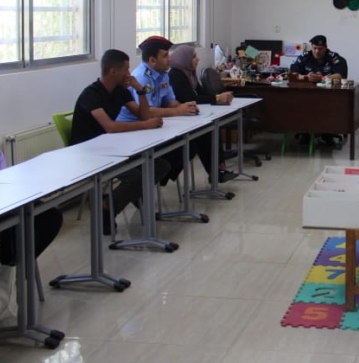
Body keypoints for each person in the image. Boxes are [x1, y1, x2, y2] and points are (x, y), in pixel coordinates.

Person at [70, 49, 167, 235]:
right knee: (135, 177)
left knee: (160, 165)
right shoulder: (91, 94)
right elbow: (110, 127)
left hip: (111, 148)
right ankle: (107, 208)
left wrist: (140, 91)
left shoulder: (120, 91)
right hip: (88, 153)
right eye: (126, 69)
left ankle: (119, 201)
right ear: (113, 72)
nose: (129, 74)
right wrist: (146, 125)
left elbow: (143, 115)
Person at [0, 127, 64, 312]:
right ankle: (8, 261)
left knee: (48, 216)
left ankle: (13, 263)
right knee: (20, 227)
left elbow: (1, 174)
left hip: (1, 202)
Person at [116, 36, 199, 185]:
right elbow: (147, 113)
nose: (169, 59)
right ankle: (151, 182)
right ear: (152, 60)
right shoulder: (142, 77)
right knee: (180, 148)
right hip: (132, 131)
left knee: (191, 143)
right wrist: (178, 111)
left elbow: (170, 102)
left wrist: (186, 107)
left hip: (151, 128)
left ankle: (158, 179)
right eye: (165, 55)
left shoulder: (163, 74)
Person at [168, 45, 238, 183]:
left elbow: (201, 94)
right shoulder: (176, 75)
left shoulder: (190, 74)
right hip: (180, 118)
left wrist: (219, 97)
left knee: (212, 128)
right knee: (206, 133)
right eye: (194, 56)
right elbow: (189, 98)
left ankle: (219, 169)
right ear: (184, 59)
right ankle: (216, 171)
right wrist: (217, 98)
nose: (198, 59)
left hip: (191, 116)